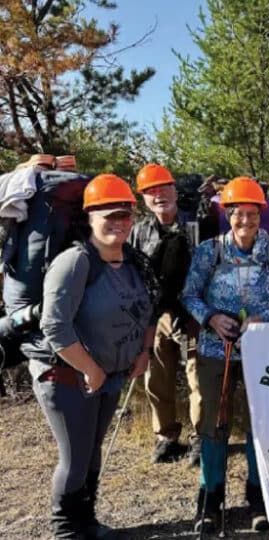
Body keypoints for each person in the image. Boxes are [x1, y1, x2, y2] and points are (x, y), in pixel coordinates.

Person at [30, 174, 157, 538]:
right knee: (74, 458)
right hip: (68, 378)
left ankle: (87, 522)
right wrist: (90, 369)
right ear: (90, 217)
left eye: (125, 215)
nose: (118, 222)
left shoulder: (134, 261)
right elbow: (54, 327)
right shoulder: (75, 262)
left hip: (110, 376)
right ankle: (67, 530)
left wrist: (144, 351)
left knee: (91, 454)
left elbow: (151, 307)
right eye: (109, 215)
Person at [182, 177, 269, 533]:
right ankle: (210, 499)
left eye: (253, 214)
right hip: (217, 351)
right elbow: (190, 295)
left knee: (261, 425)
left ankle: (258, 496)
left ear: (262, 215)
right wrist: (211, 318)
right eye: (239, 214)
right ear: (227, 215)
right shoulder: (209, 251)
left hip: (262, 351)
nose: (246, 221)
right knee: (215, 425)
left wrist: (263, 319)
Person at [129, 163, 202, 465]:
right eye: (150, 191)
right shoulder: (139, 231)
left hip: (194, 312)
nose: (158, 195)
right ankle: (166, 436)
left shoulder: (196, 223)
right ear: (144, 198)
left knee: (198, 376)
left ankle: (201, 438)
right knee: (156, 377)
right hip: (157, 313)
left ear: (174, 189)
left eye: (163, 188)